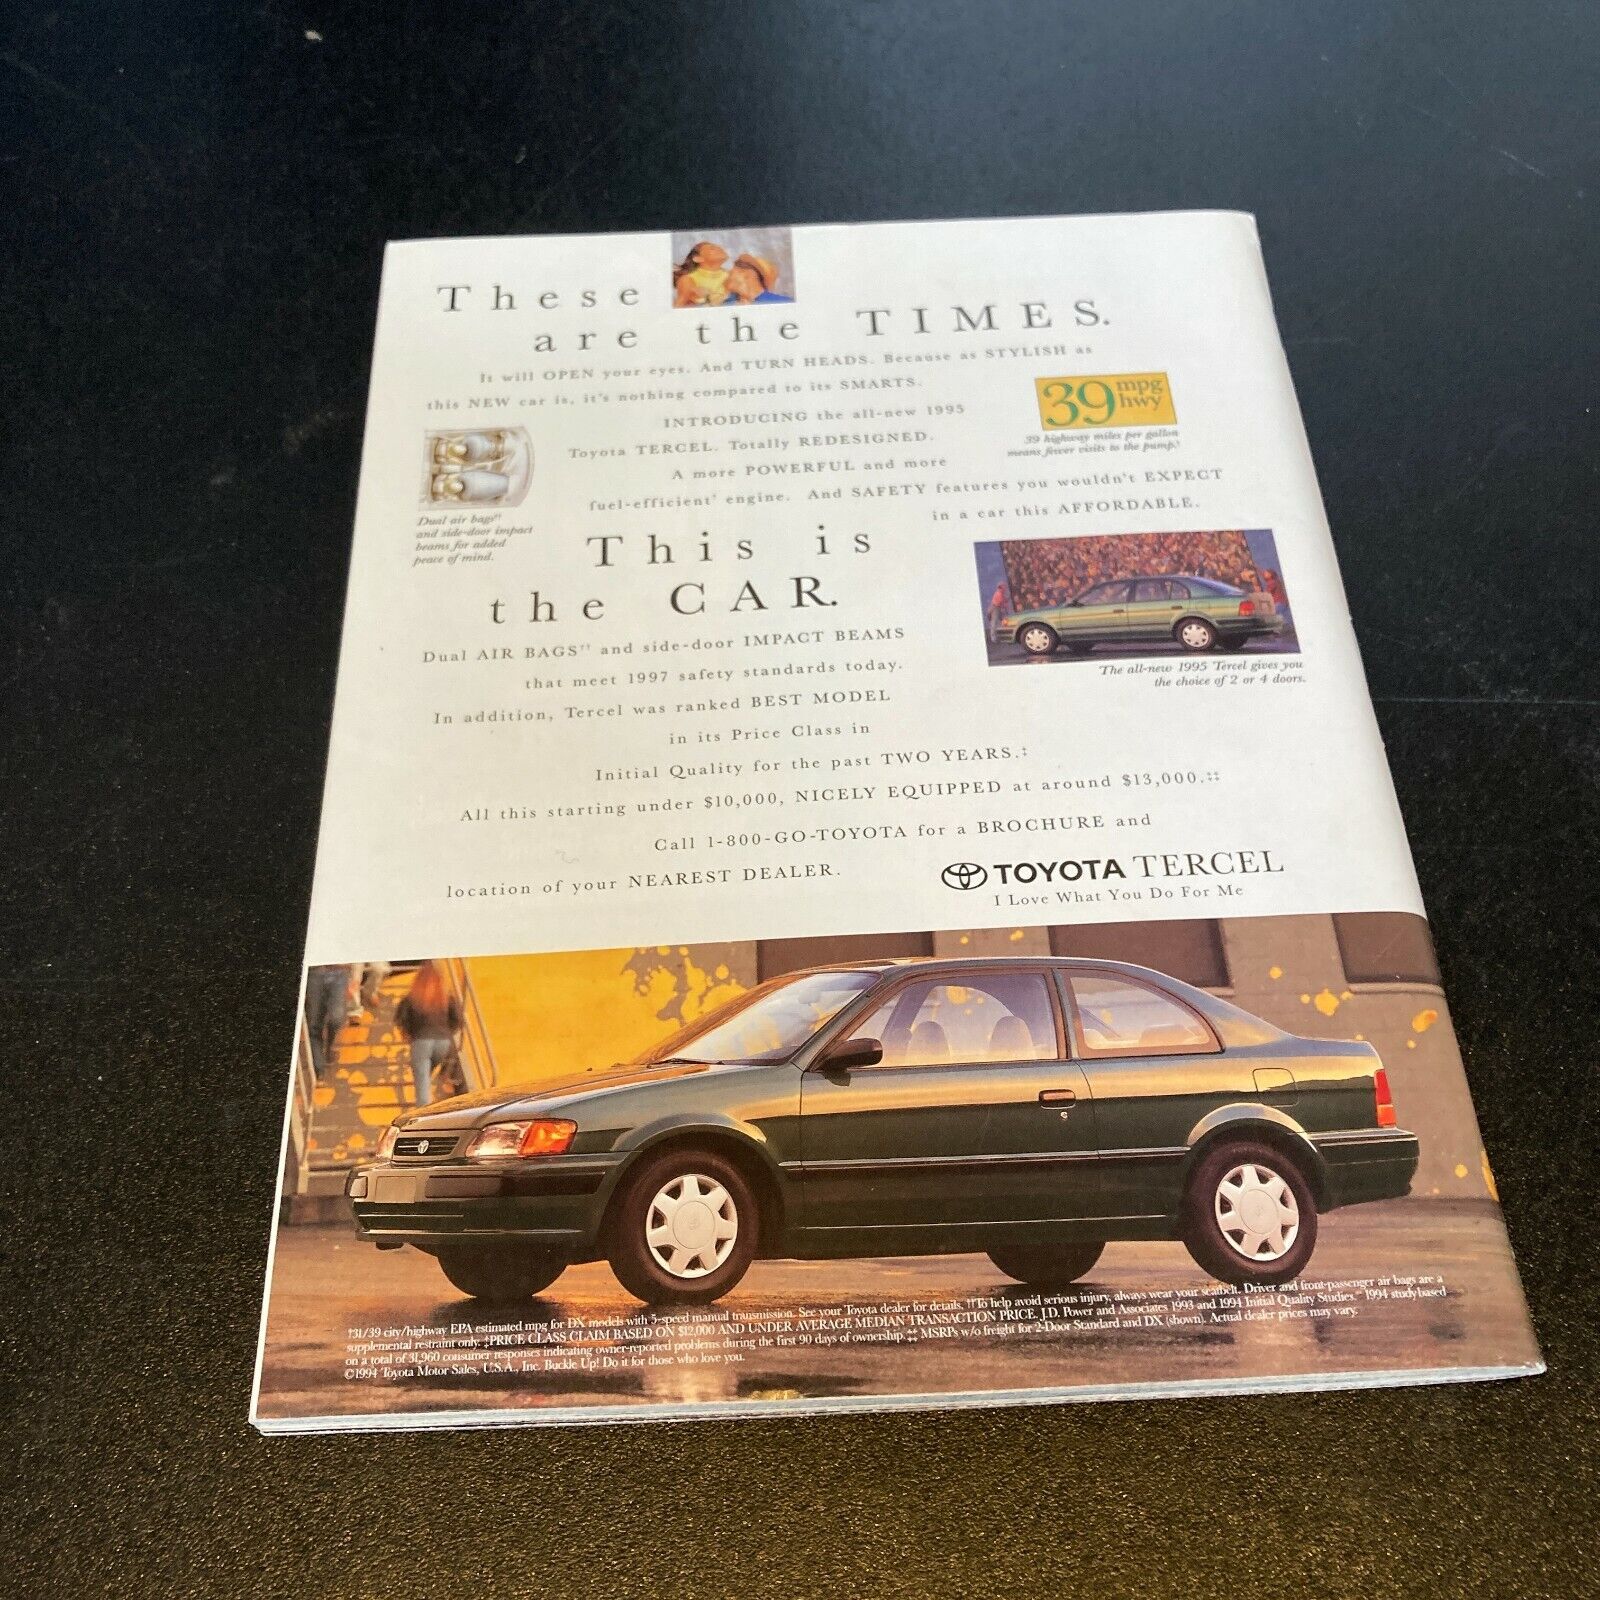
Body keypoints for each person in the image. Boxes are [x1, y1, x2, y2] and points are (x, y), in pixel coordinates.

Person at [393, 961, 463, 1107]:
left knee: (422, 1085)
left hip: (421, 1041)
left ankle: (424, 1113)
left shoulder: (411, 998)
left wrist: (409, 1034)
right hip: (443, 1043)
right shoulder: (446, 998)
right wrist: (447, 1032)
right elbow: (458, 1020)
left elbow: (400, 1019)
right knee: (427, 1075)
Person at [672, 241, 730, 306]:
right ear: (698, 259)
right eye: (712, 248)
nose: (720, 248)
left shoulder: (730, 276)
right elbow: (678, 306)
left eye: (718, 246)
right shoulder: (687, 280)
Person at [724, 253, 793, 304]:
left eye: (731, 273)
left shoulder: (783, 302)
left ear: (748, 274)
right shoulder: (726, 304)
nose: (727, 275)